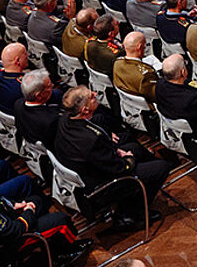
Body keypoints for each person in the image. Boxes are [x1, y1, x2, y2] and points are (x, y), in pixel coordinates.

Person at [52, 85, 172, 224]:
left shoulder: (65, 119)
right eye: (91, 96)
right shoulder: (91, 141)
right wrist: (128, 158)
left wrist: (113, 148)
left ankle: (142, 191)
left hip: (91, 168)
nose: (95, 93)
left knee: (135, 147)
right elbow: (119, 168)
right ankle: (133, 214)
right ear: (85, 110)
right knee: (161, 168)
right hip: (102, 184)